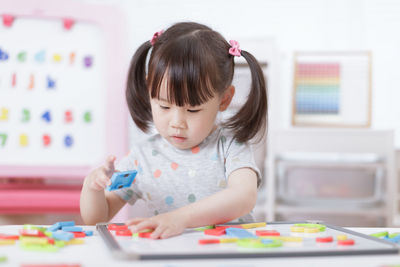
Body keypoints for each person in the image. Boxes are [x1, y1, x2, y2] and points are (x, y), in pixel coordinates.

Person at [80, 22, 268, 239]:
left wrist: (180, 218)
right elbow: (96, 219)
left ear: (224, 99)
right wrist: (92, 188)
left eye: (193, 109)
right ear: (149, 88)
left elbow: (244, 197)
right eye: (165, 106)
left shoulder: (230, 146)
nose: (177, 122)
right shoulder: (142, 158)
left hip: (228, 254)